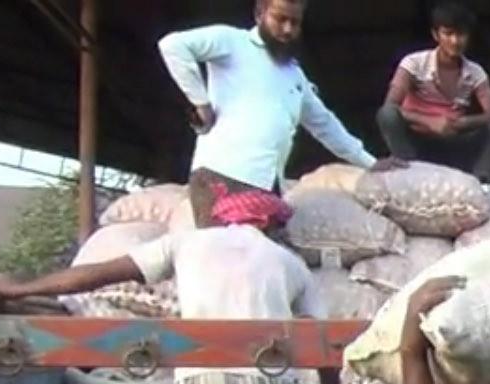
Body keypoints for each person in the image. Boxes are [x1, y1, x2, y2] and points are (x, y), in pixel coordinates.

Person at [0, 190, 349, 384]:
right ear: (271, 226)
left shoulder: (186, 242)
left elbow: (92, 275)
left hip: (201, 383)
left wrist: (18, 289)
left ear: (222, 221)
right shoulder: (291, 263)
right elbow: (324, 352)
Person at [157, 0, 403, 228]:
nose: (287, 29)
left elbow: (325, 125)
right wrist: (202, 103)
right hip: (222, 175)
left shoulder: (294, 76)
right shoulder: (232, 41)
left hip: (267, 185)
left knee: (258, 264)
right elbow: (173, 46)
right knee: (228, 260)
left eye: (294, 23)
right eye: (280, 19)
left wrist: (370, 162)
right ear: (259, 13)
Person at [376, 2, 490, 181]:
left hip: (453, 142)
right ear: (436, 35)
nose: (455, 41)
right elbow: (390, 106)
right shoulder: (413, 63)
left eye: (461, 34)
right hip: (417, 142)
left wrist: (462, 122)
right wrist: (429, 121)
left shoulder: (475, 72)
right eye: (448, 34)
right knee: (387, 115)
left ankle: (478, 180)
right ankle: (411, 174)